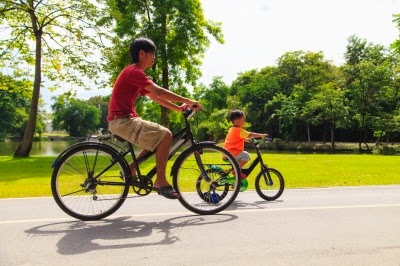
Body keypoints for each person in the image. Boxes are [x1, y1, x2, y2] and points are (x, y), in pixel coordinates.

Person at [107, 37, 202, 199]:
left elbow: (155, 97)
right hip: (122, 121)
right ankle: (161, 181)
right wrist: (187, 100)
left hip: (123, 120)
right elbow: (158, 92)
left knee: (158, 138)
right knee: (165, 135)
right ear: (142, 54)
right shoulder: (134, 72)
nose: (155, 57)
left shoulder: (135, 74)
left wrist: (178, 108)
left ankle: (130, 168)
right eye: (153, 53)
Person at [223, 109, 268, 178]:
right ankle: (236, 170)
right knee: (246, 156)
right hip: (233, 153)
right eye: (243, 120)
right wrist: (261, 135)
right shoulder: (239, 131)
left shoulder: (232, 129)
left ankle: (236, 181)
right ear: (237, 121)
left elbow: (235, 139)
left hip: (227, 153)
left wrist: (246, 140)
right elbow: (250, 134)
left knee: (240, 161)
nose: (244, 122)